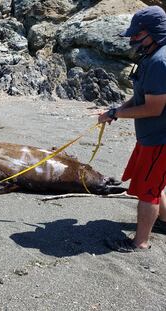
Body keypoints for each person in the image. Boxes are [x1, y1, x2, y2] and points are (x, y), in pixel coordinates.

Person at [98, 6, 166, 252]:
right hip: (151, 135)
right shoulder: (152, 54)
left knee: (148, 190)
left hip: (160, 138)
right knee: (154, 183)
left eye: (137, 34)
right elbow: (141, 96)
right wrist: (116, 110)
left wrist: (117, 113)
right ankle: (164, 221)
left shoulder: (160, 61)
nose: (133, 39)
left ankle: (140, 242)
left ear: (153, 33)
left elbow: (154, 108)